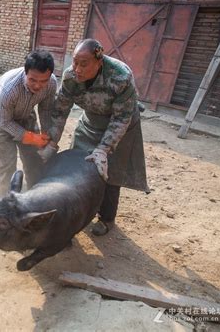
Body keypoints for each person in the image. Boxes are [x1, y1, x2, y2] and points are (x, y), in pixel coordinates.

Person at [49, 39, 149, 236]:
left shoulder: (121, 77)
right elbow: (60, 111)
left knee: (110, 173)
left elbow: (121, 119)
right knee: (77, 166)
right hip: (90, 123)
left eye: (84, 63)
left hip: (122, 128)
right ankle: (81, 211)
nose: (77, 68)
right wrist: (52, 141)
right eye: (75, 62)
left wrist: (103, 150)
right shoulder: (70, 77)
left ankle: (106, 218)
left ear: (99, 61)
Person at [0, 49, 57, 197]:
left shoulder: (52, 83)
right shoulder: (9, 88)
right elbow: (4, 122)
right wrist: (31, 137)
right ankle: (4, 203)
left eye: (43, 81)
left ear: (49, 76)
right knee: (7, 164)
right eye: (32, 80)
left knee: (34, 158)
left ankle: (34, 196)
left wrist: (46, 137)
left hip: (25, 114)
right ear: (25, 72)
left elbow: (46, 111)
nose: (37, 86)